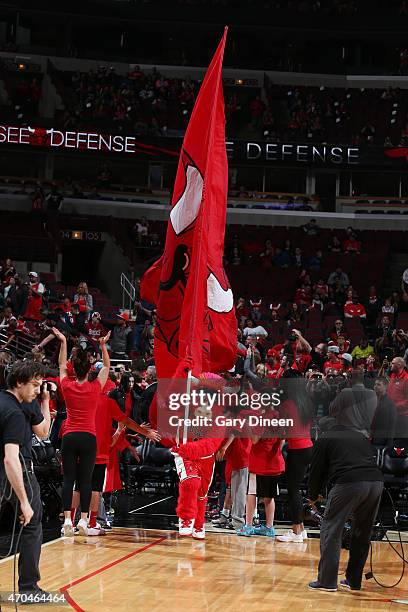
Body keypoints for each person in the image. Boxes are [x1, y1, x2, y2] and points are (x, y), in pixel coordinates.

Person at [308, 397, 384, 592]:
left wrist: (313, 496)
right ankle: (353, 580)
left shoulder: (325, 437)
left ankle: (327, 581)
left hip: (350, 483)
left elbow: (316, 471)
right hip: (376, 483)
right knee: (362, 533)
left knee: (331, 529)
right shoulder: (358, 435)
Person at [53, 326, 111, 537]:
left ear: (74, 369)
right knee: (85, 481)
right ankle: (84, 520)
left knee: (69, 480)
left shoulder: (67, 385)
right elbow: (106, 366)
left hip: (69, 437)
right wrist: (103, 346)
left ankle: (67, 518)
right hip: (88, 438)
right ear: (89, 370)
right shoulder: (96, 387)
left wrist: (63, 342)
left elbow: (60, 364)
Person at [0, 360, 51, 596]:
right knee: (31, 524)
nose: (37, 391)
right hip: (17, 469)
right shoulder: (15, 413)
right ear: (19, 382)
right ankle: (29, 589)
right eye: (34, 385)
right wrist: (23, 502)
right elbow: (11, 459)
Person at [277, 371, 313, 543]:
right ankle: (302, 530)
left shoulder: (288, 404)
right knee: (295, 489)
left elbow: (281, 427)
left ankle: (296, 531)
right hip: (307, 447)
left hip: (297, 449)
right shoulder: (305, 401)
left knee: (293, 491)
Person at [387, 356, 408, 446]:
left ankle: (401, 459)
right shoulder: (392, 376)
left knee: (400, 444)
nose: (390, 365)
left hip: (402, 417)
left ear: (399, 365)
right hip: (392, 415)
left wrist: (395, 406)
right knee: (391, 442)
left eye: (392, 363)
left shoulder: (406, 379)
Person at [372, 377, 397, 447]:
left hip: (380, 442)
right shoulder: (372, 401)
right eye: (375, 384)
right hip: (369, 439)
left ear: (386, 387)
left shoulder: (390, 404)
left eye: (379, 384)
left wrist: (389, 445)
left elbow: (392, 425)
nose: (375, 386)